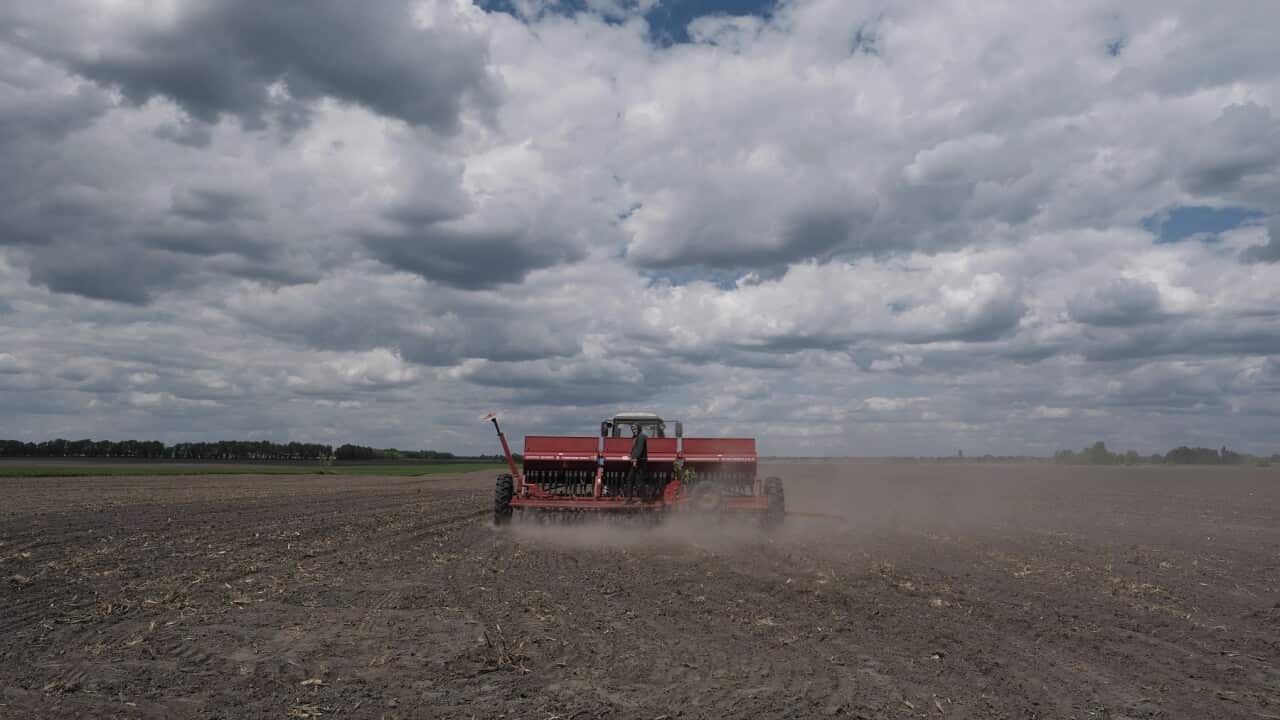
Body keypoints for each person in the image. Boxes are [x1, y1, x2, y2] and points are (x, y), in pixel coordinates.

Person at [625, 422, 647, 492]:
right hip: (637, 461)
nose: (633, 430)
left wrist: (635, 459)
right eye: (632, 429)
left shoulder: (641, 436)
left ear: (639, 428)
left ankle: (642, 497)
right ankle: (630, 497)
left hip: (640, 461)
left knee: (637, 480)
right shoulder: (635, 437)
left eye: (635, 428)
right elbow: (634, 449)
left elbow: (639, 449)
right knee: (632, 479)